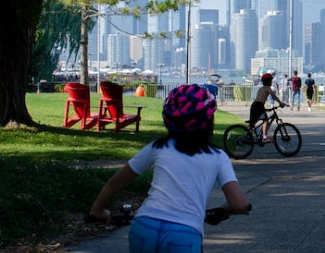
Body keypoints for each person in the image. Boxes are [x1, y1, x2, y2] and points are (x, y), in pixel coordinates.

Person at [88, 84, 251, 253]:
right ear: (208, 121)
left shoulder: (157, 147)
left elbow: (114, 184)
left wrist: (97, 211)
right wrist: (226, 210)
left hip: (144, 227)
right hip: (184, 234)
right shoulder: (217, 156)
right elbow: (239, 204)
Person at [252, 73, 287, 142]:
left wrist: (266, 109)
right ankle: (264, 137)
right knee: (265, 120)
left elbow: (259, 99)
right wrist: (280, 103)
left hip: (255, 105)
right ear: (268, 81)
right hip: (259, 105)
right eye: (270, 81)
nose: (271, 82)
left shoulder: (261, 88)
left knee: (252, 123)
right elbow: (273, 96)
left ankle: (245, 134)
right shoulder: (268, 88)